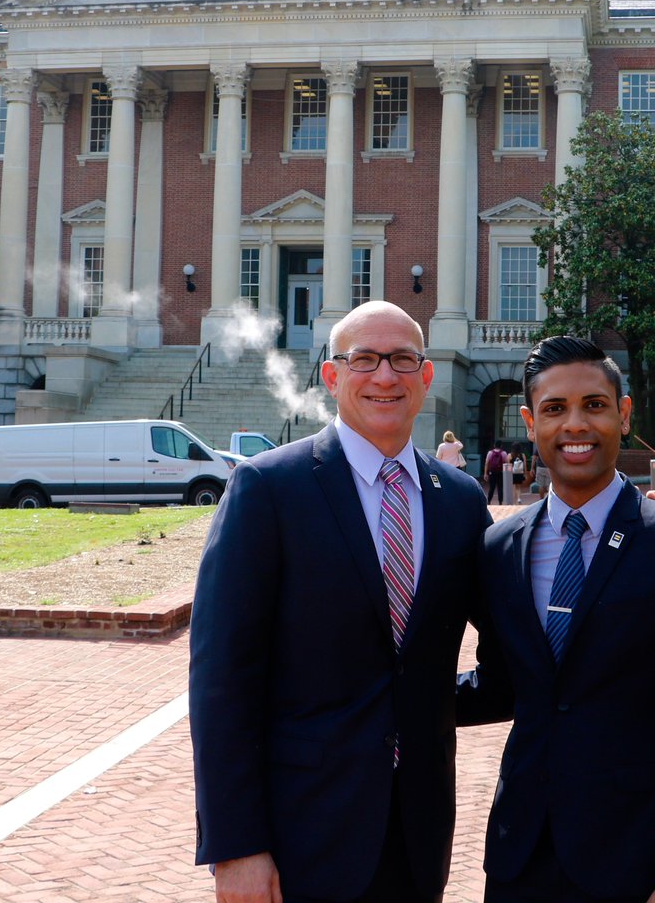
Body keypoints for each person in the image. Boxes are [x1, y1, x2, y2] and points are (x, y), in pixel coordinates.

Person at [189, 301, 492, 903]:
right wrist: (236, 846)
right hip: (301, 831)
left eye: (403, 359)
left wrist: (645, 533)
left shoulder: (460, 500)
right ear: (331, 376)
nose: (385, 376)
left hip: (418, 833)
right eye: (364, 360)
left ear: (426, 376)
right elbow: (223, 679)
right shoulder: (269, 487)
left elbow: (514, 642)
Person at [457, 335, 655, 903]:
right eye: (554, 409)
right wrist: (390, 694)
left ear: (623, 414)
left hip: (634, 860)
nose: (575, 425)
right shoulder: (498, 549)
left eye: (594, 405)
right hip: (520, 859)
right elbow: (504, 686)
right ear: (530, 423)